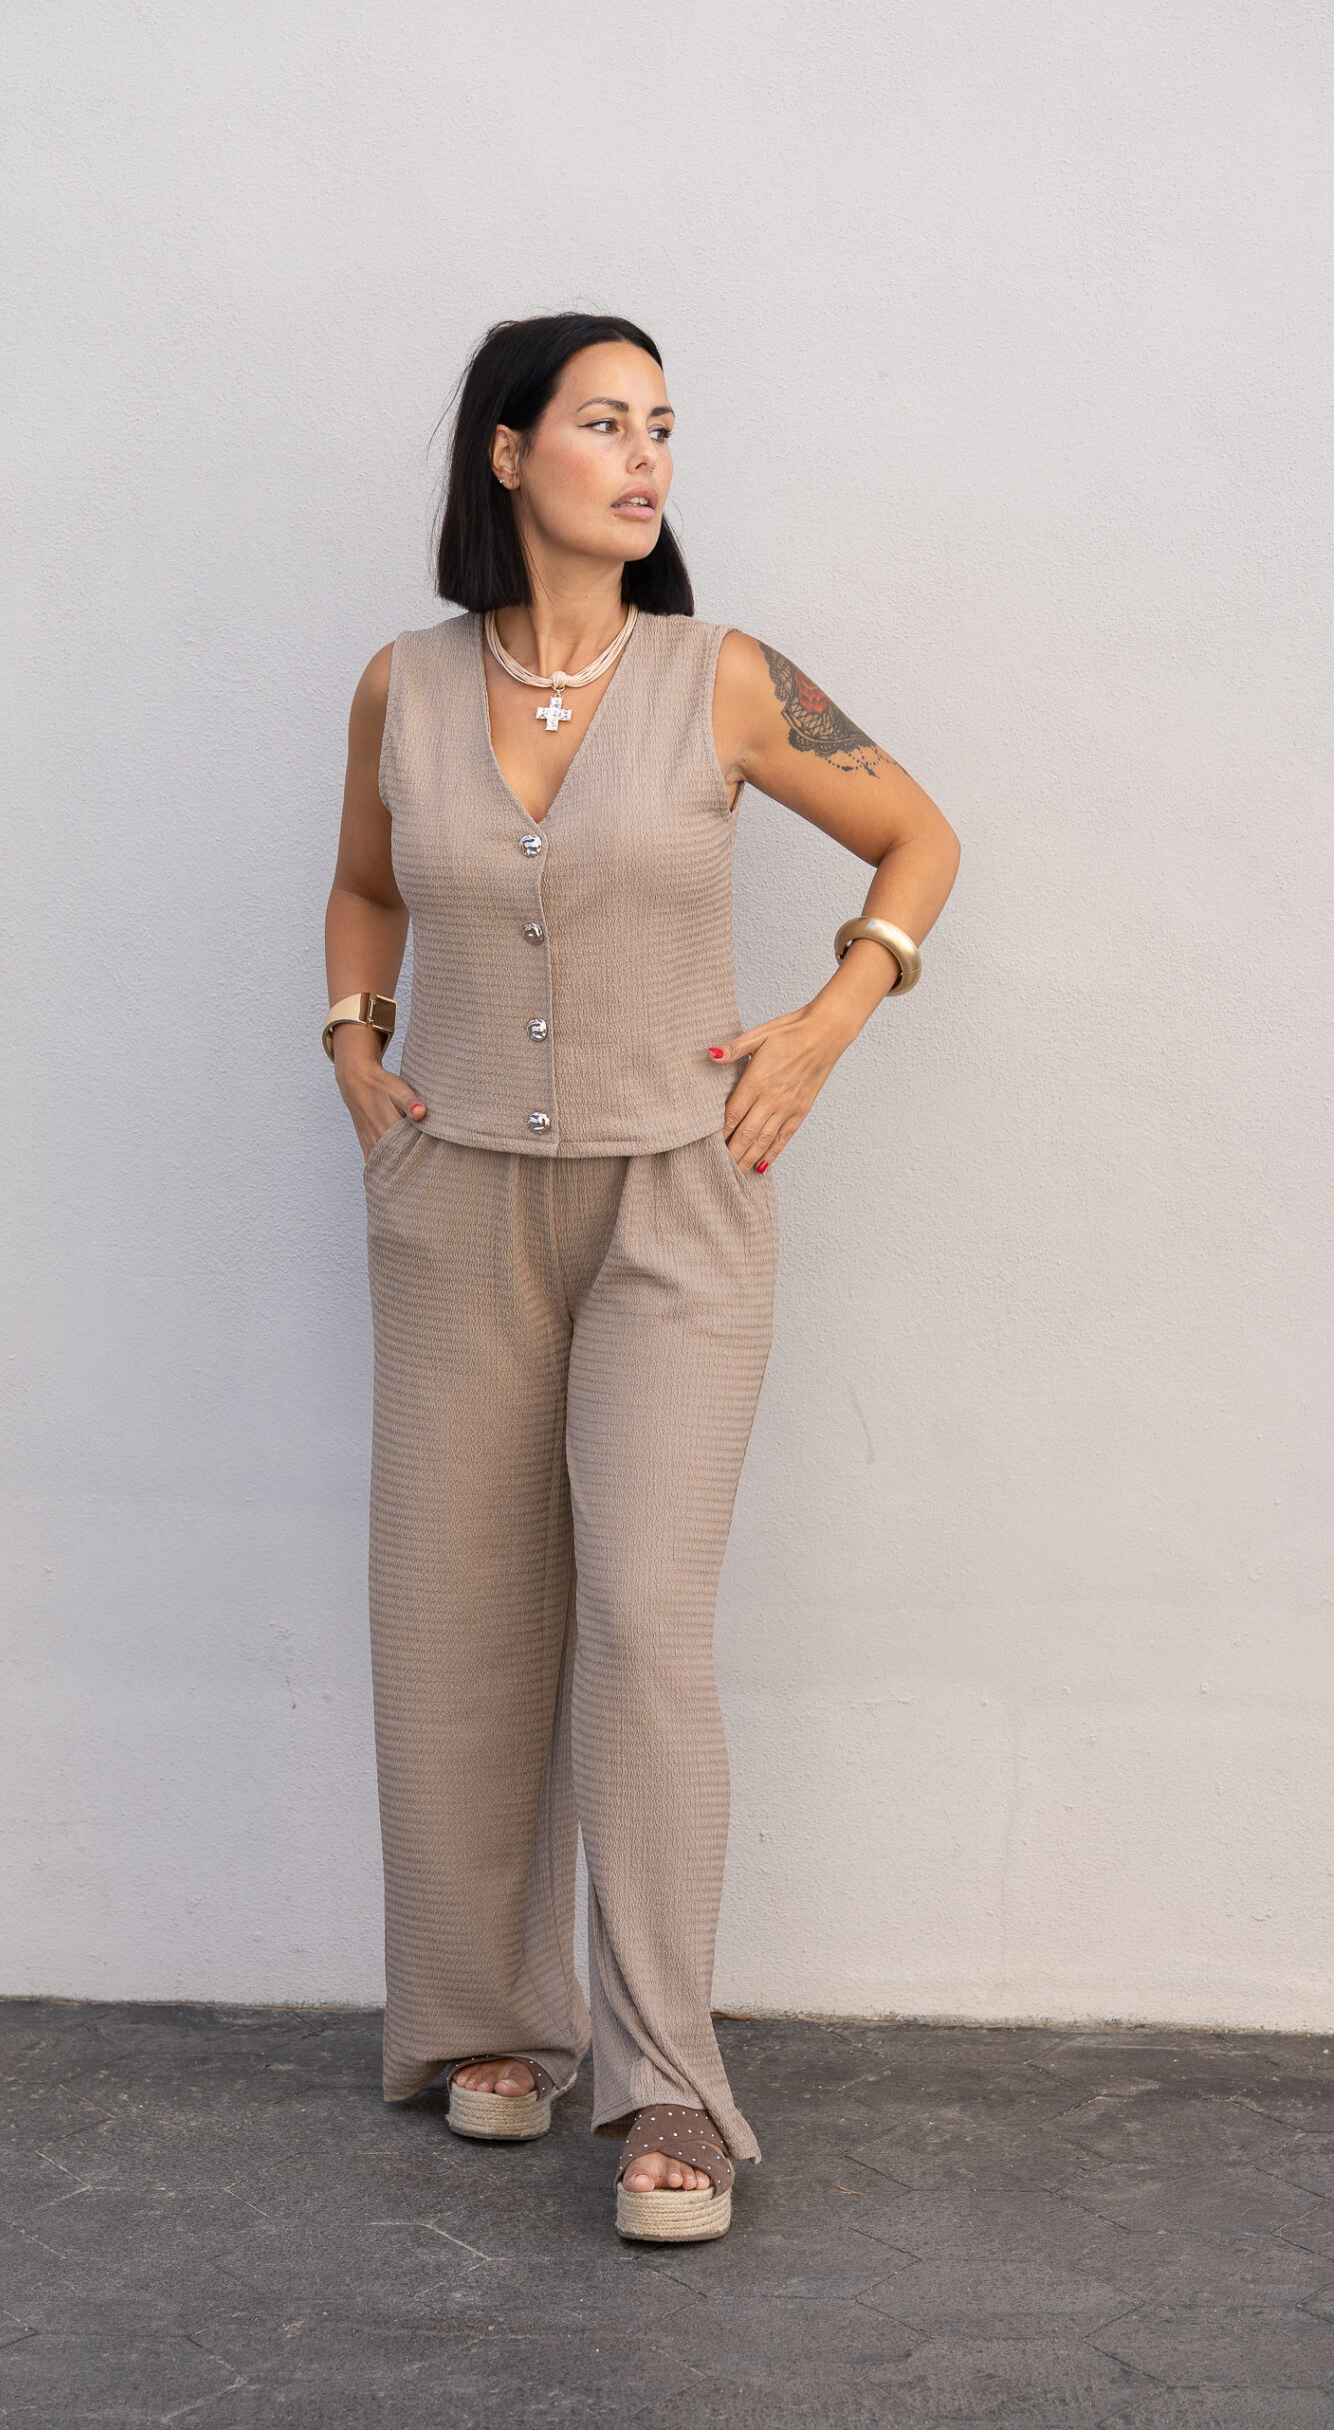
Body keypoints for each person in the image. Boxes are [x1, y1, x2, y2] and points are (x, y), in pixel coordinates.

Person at [322, 313, 960, 2242]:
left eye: (663, 425)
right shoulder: (404, 687)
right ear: (509, 452)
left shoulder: (726, 679)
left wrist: (828, 1021)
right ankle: (488, 2027)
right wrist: (355, 1044)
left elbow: (918, 836)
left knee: (648, 1626)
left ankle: (671, 2081)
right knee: (458, 1616)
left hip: (680, 1204)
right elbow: (368, 883)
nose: (646, 456)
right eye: (604, 422)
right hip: (456, 1206)